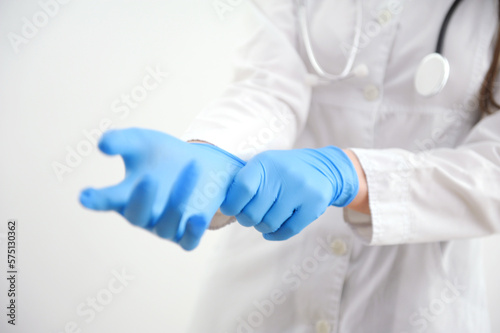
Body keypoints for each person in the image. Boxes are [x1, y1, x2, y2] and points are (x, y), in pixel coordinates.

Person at [80, 0, 500, 332]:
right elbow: (268, 86)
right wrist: (215, 151)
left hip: (419, 299)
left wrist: (351, 174)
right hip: (265, 277)